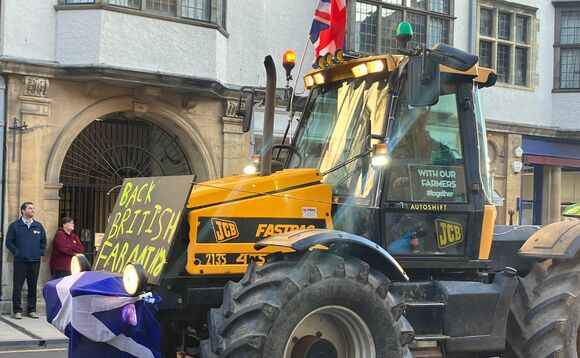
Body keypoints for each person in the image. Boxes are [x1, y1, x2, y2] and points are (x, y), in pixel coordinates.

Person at [5, 202, 46, 319]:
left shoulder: (38, 226)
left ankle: (32, 310)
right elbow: (9, 242)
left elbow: (43, 242)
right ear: (23, 211)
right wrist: (17, 252)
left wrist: (39, 253)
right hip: (20, 261)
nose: (33, 210)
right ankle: (17, 310)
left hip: (35, 261)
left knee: (32, 286)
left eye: (33, 208)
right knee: (17, 286)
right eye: (30, 208)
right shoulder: (15, 226)